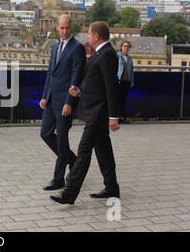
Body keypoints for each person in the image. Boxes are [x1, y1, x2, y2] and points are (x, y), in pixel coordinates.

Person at [50, 21, 121, 205]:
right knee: (104, 151)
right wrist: (79, 90)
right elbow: (96, 83)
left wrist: (114, 117)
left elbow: (112, 88)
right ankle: (112, 188)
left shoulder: (107, 55)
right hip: (94, 111)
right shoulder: (101, 53)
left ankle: (69, 194)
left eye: (89, 34)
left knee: (83, 153)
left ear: (96, 36)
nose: (88, 37)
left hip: (98, 113)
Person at [39, 15, 86, 191]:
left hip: (65, 102)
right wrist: (44, 96)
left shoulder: (77, 48)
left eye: (67, 28)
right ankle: (73, 160)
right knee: (45, 133)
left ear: (71, 28)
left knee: (62, 141)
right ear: (56, 28)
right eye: (62, 28)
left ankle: (59, 179)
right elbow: (50, 73)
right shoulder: (55, 46)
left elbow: (76, 77)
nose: (65, 31)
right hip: (51, 100)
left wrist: (69, 102)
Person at [117, 41, 134, 123]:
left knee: (123, 100)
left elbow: (131, 71)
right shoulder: (117, 56)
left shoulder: (130, 58)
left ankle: (121, 117)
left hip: (126, 82)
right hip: (119, 82)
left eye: (128, 46)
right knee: (117, 100)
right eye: (125, 46)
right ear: (121, 47)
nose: (126, 48)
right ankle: (116, 118)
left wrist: (132, 82)